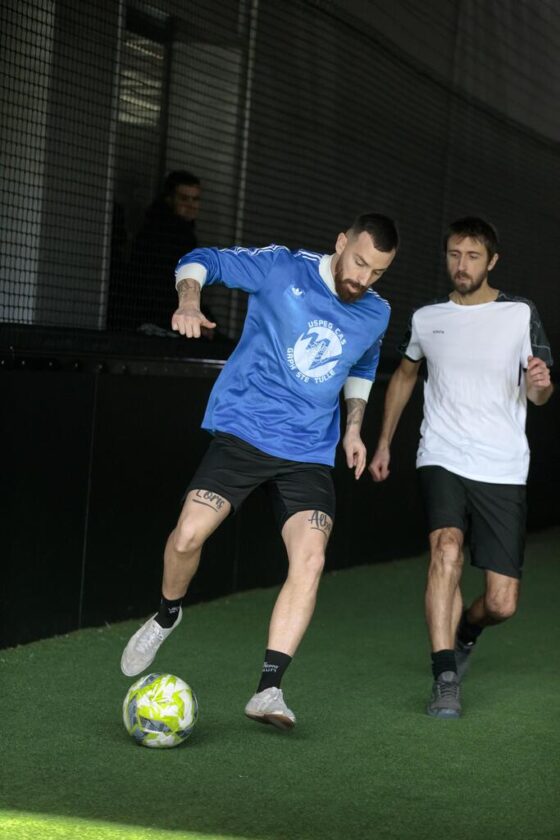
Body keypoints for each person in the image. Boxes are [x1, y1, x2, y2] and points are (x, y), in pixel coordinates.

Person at [120, 213, 399, 729]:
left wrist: (354, 429)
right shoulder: (280, 268)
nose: (363, 279)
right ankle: (166, 614)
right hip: (244, 432)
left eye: (377, 272)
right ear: (341, 242)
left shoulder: (375, 312)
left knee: (310, 559)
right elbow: (202, 262)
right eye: (359, 263)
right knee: (186, 538)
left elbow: (360, 364)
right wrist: (188, 300)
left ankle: (269, 689)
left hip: (309, 451)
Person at [368, 216, 553, 719]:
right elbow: (405, 375)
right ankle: (444, 676)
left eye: (472, 256)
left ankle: (467, 631)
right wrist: (383, 441)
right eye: (454, 254)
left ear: (491, 261)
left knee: (501, 604)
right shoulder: (428, 318)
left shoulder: (519, 314)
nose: (461, 265)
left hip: (502, 466)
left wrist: (538, 381)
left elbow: (539, 393)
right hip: (442, 455)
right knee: (445, 549)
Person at [130, 170, 202, 334]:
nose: (191, 205)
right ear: (169, 199)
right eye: (184, 198)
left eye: (195, 199)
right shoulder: (162, 235)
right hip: (158, 322)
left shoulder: (182, 235)